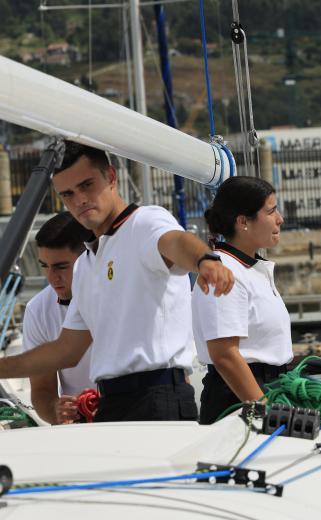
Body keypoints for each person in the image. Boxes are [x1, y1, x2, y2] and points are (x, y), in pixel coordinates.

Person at [0, 141, 235, 422]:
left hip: (158, 396)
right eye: (68, 194)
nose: (79, 200)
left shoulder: (145, 222)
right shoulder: (86, 265)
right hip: (110, 403)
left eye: (87, 185)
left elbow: (174, 242)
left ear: (111, 177)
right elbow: (66, 350)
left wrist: (203, 260)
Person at [192, 176, 292, 425]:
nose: (280, 219)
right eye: (271, 211)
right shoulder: (225, 271)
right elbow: (224, 354)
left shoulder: (249, 269)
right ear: (243, 222)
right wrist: (265, 411)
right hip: (239, 400)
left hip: (265, 391)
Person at [22, 213, 95, 424]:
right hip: (82, 426)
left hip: (137, 416)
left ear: (89, 259)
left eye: (61, 267)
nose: (52, 278)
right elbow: (42, 389)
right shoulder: (38, 310)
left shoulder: (123, 296)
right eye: (44, 266)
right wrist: (55, 410)